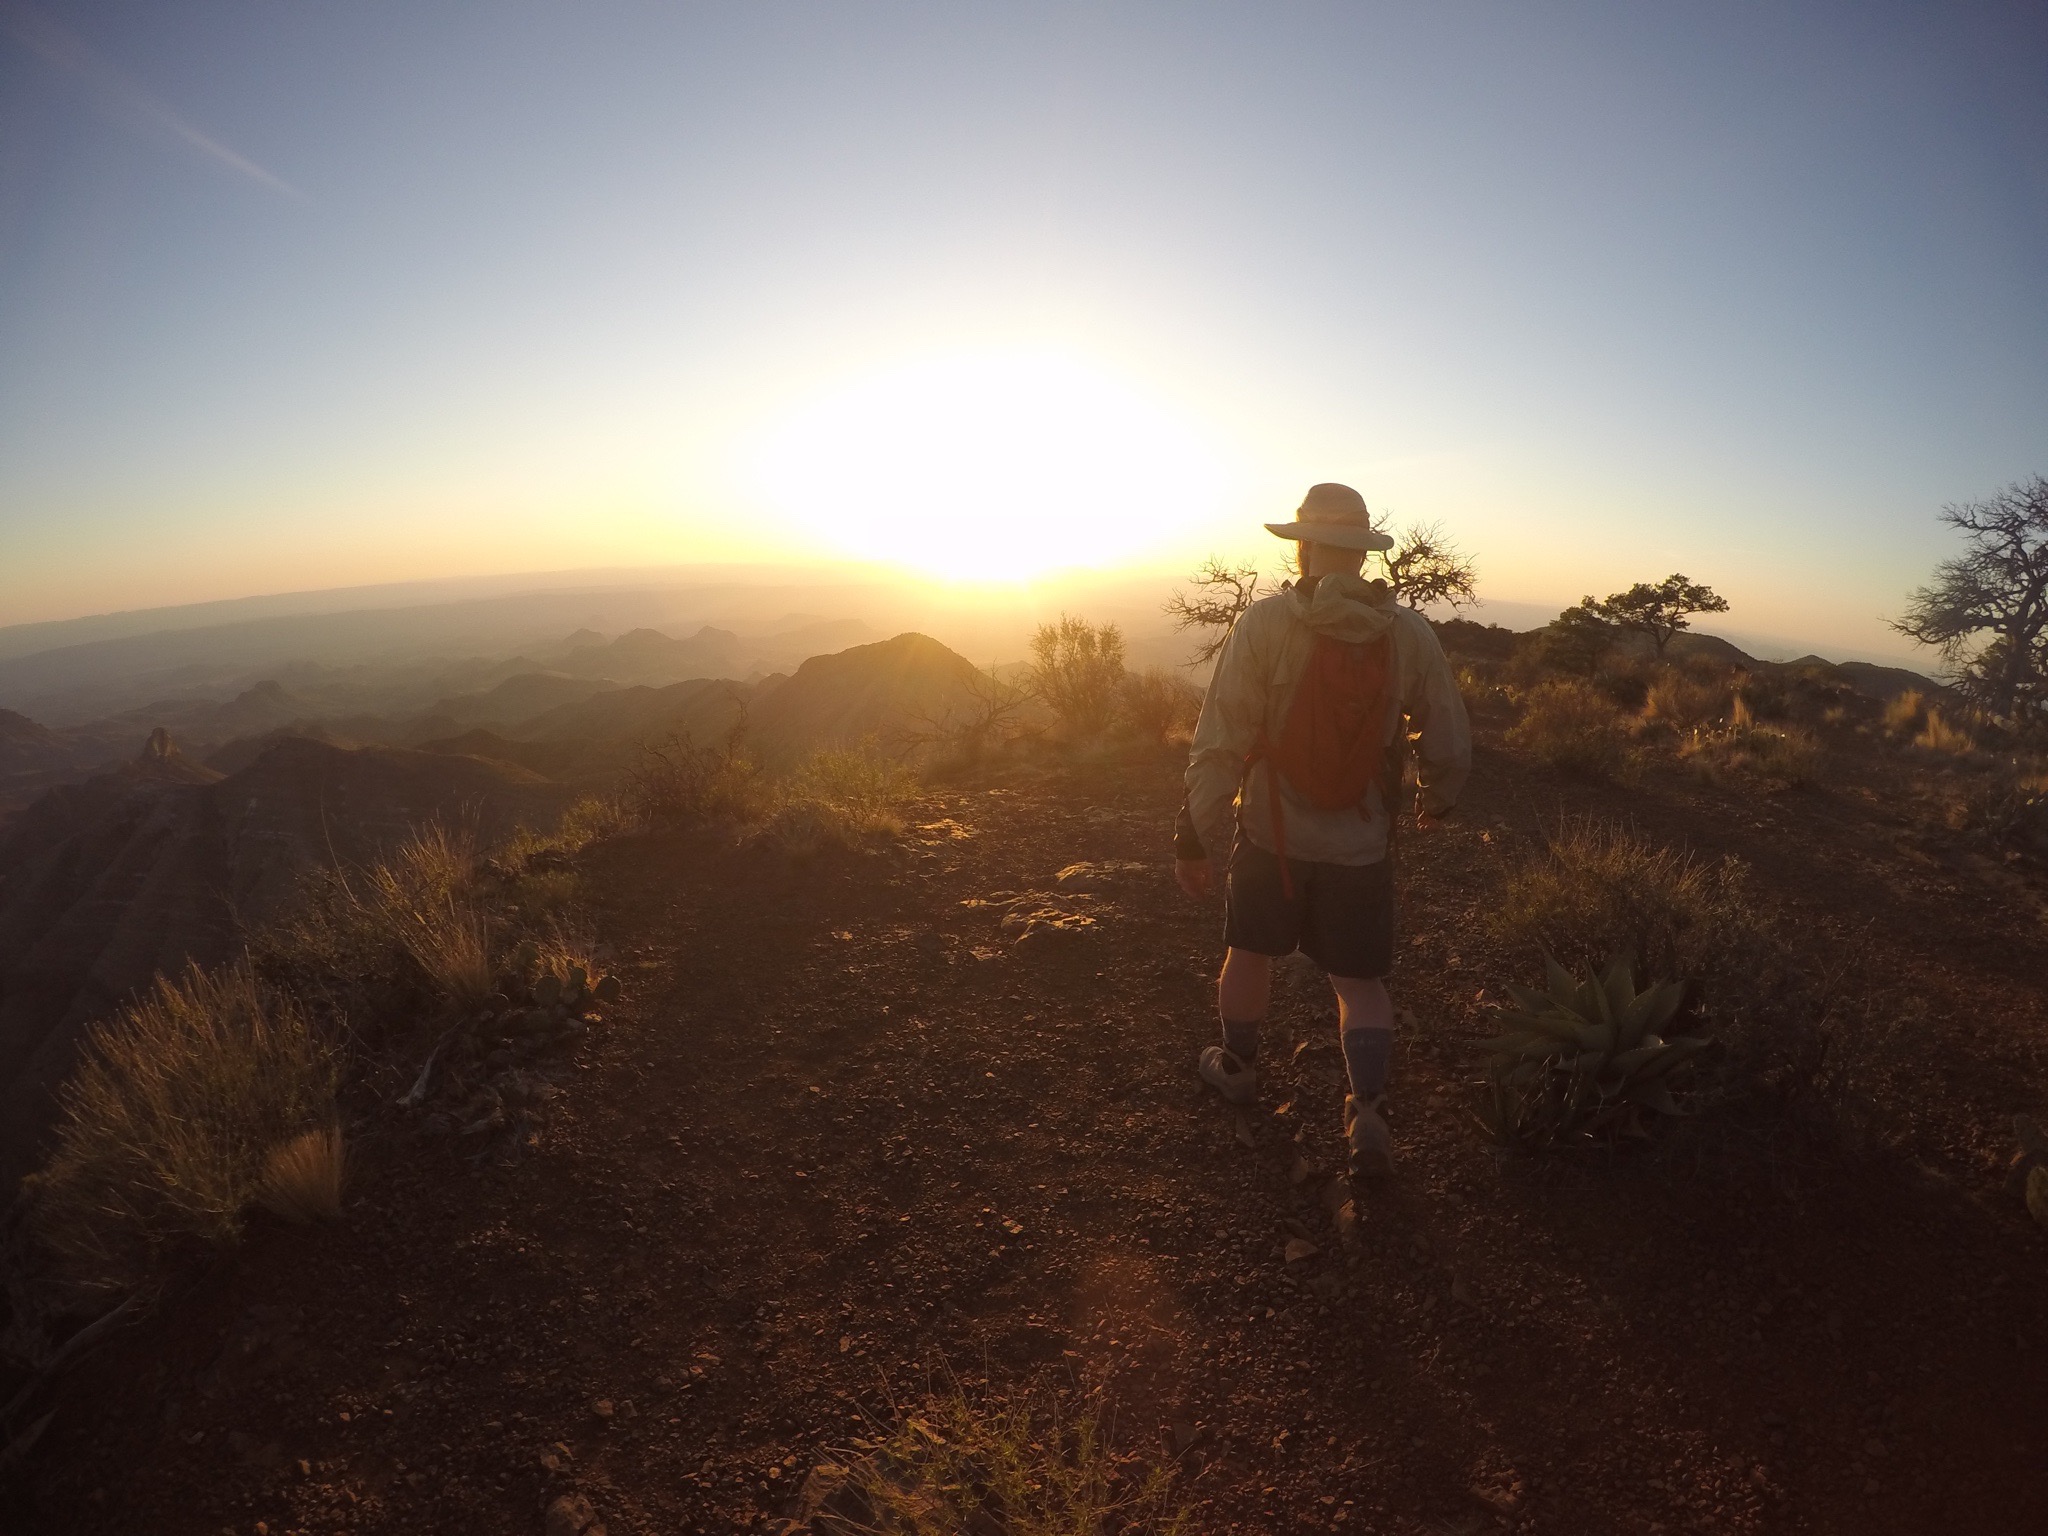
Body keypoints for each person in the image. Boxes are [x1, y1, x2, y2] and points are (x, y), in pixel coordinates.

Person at [1174, 483, 1471, 1184]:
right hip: (1360, 843)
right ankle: (1366, 1112)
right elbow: (1450, 739)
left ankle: (1239, 1067)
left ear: (1304, 548)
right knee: (1358, 980)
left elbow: (1221, 739)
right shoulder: (1406, 633)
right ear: (1363, 556)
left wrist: (1196, 831)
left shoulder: (1268, 623)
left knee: (1249, 950)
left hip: (1272, 835)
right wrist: (1438, 800)